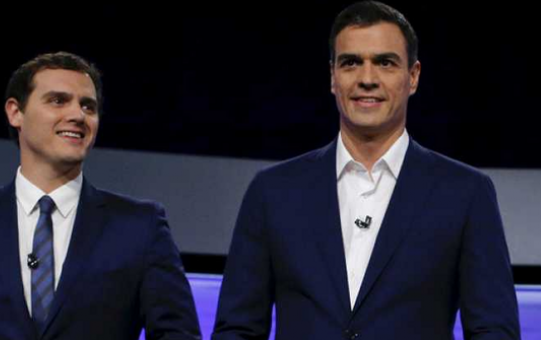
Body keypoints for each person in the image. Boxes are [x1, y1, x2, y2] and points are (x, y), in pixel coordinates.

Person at [212, 2, 520, 339]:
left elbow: (494, 330)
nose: (367, 79)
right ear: (333, 77)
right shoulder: (272, 192)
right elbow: (238, 328)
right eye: (351, 63)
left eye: (385, 63)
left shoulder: (465, 193)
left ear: (413, 77)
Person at [0, 51, 201, 340]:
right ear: (16, 112)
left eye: (88, 106)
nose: (77, 115)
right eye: (58, 101)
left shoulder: (141, 226)